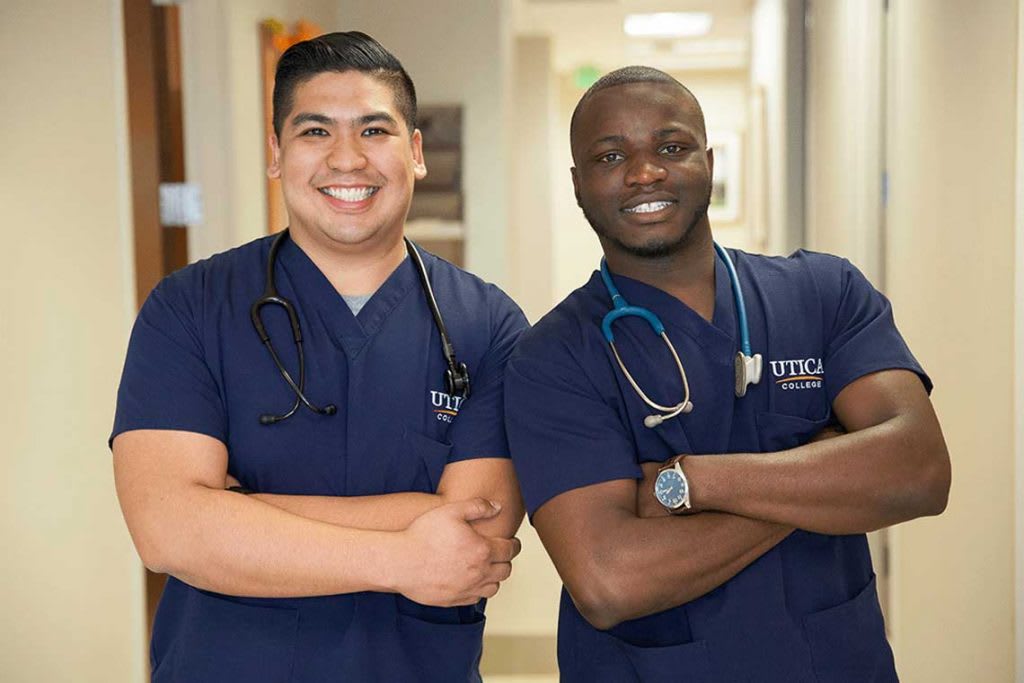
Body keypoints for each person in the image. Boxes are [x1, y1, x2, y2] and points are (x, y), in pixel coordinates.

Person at [504, 66, 951, 682]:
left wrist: (690, 482)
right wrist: (824, 469)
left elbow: (920, 471)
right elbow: (609, 580)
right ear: (579, 185)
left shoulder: (824, 292)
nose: (645, 173)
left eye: (671, 146)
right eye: (611, 156)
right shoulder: (552, 357)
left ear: (708, 161)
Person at [111, 31, 527, 683]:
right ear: (276, 154)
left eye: (374, 131)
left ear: (415, 152)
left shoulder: (489, 325)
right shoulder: (189, 307)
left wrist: (239, 510)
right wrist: (406, 552)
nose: (347, 159)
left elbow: (479, 532)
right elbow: (168, 531)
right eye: (314, 132)